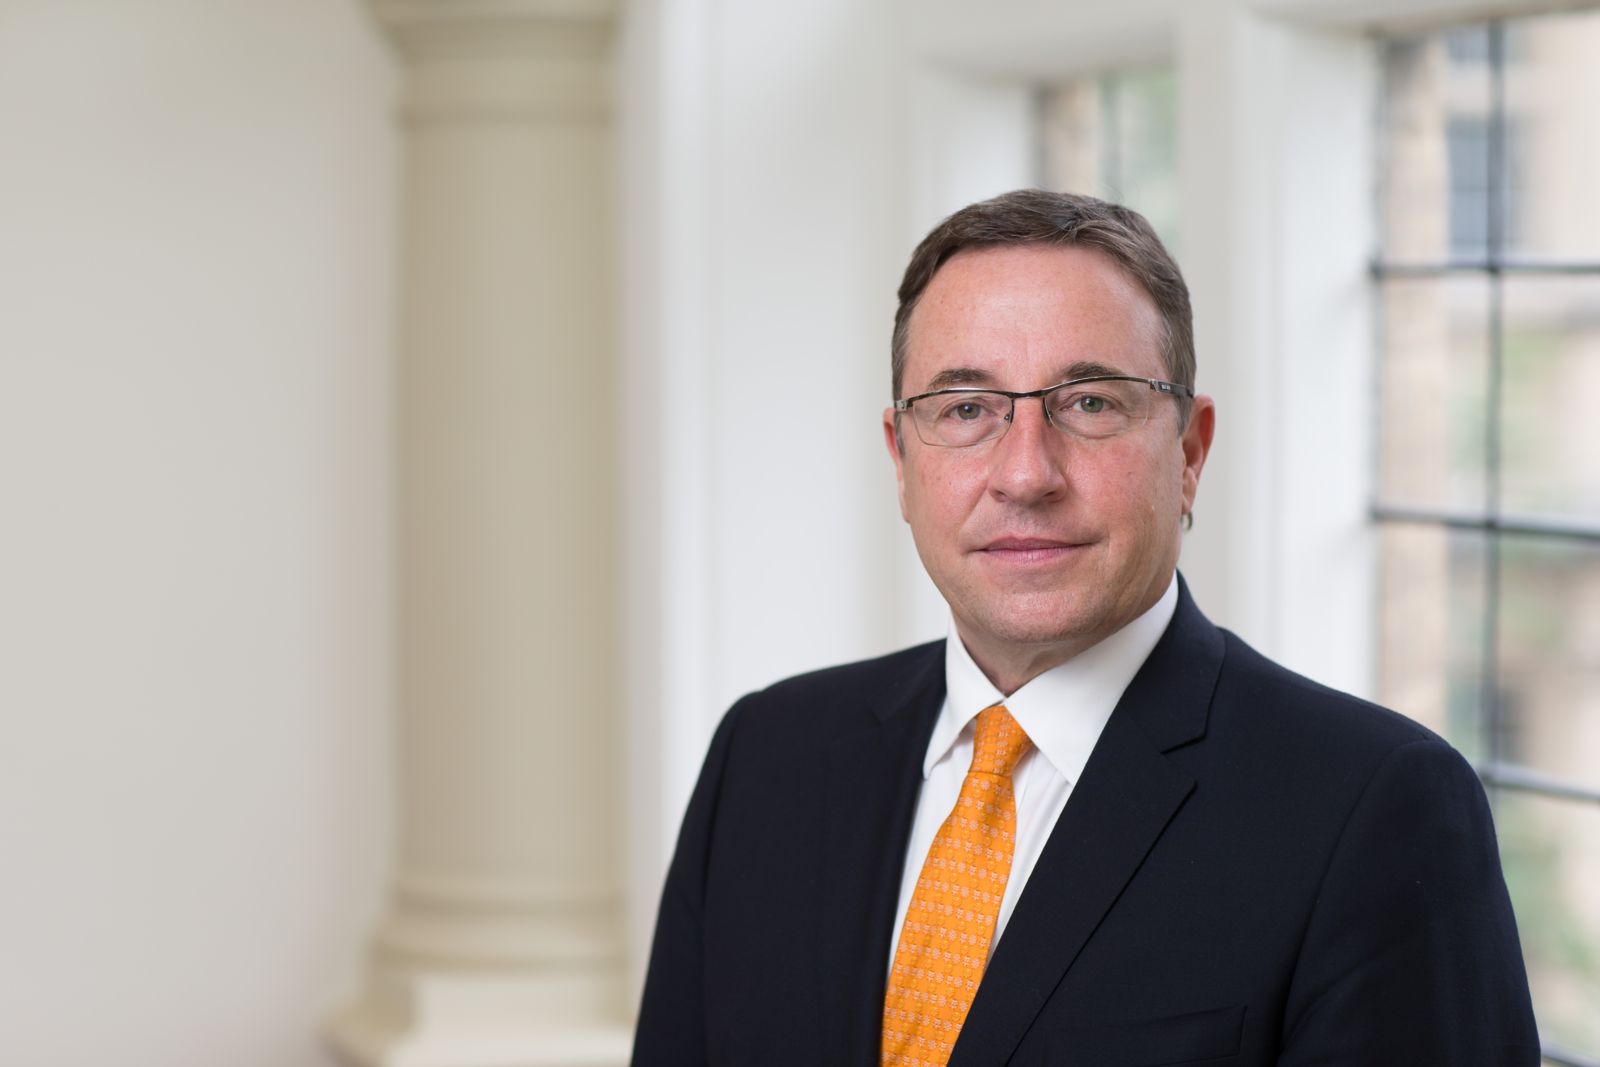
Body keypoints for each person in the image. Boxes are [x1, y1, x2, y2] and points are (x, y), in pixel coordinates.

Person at [631, 190, 1539, 1066]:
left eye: (1091, 403)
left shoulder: (1379, 810)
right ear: (900, 460)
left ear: (1189, 451)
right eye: (966, 409)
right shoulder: (768, 754)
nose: (1025, 474)